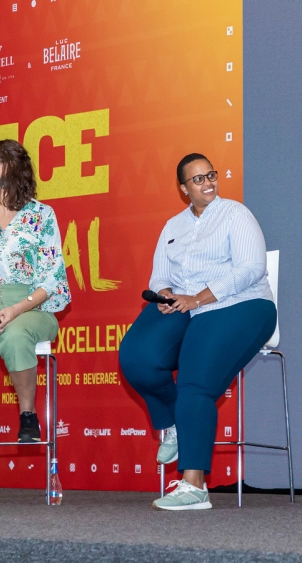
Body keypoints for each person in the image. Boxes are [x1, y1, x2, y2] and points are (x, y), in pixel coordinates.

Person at [119, 152, 277, 511]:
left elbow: (251, 269)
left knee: (194, 379)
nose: (207, 183)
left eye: (211, 176)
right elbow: (160, 274)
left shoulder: (235, 214)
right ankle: (172, 423)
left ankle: (194, 486)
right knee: (137, 357)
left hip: (241, 305)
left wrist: (198, 298)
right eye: (198, 179)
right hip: (188, 307)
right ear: (183, 189)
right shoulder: (173, 226)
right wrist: (166, 293)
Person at [0, 139, 70, 444]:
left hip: (33, 306)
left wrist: (16, 309)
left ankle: (28, 415)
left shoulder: (42, 215)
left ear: (6, 167)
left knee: (16, 335)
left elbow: (53, 278)